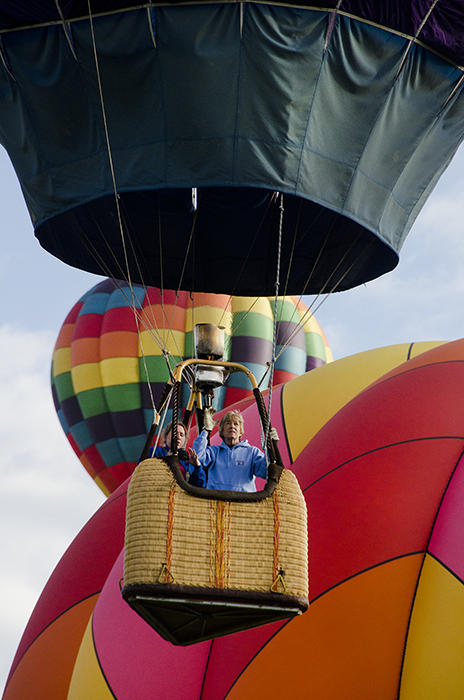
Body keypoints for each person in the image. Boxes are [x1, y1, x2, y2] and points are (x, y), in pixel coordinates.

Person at [192, 408, 279, 492]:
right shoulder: (214, 452)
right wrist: (206, 431)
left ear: (241, 431)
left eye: (236, 424)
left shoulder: (252, 452)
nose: (232, 426)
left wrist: (271, 447)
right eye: (228, 423)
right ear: (221, 431)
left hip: (242, 503)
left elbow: (265, 472)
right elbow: (197, 457)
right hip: (216, 503)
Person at [149, 421, 206, 487]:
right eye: (175, 433)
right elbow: (145, 472)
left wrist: (197, 467)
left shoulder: (187, 460)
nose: (178, 437)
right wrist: (165, 461)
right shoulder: (155, 452)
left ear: (185, 440)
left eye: (181, 435)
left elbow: (199, 486)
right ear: (165, 437)